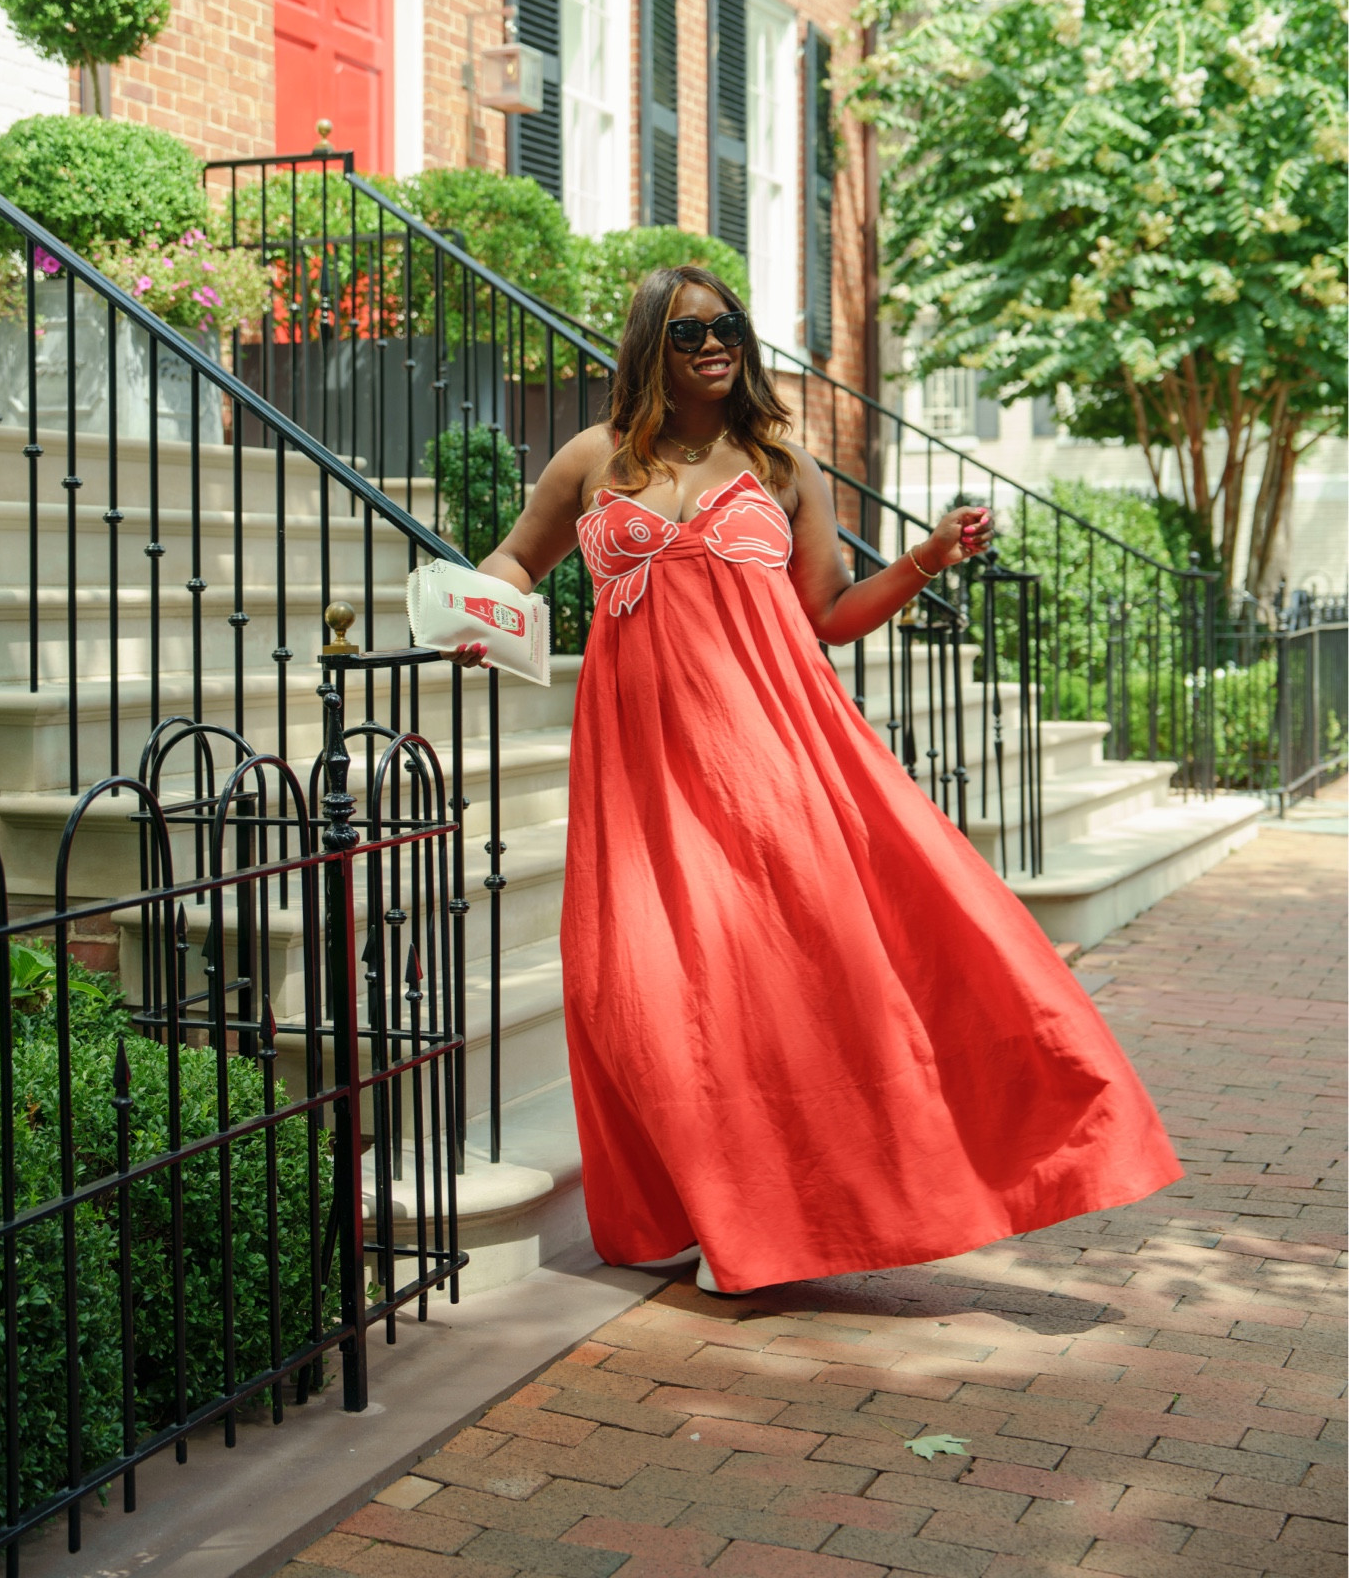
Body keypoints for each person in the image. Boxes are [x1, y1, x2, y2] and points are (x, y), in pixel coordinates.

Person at [454, 265, 1181, 1293]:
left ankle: (766, 1220)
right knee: (646, 988)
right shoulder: (592, 458)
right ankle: (700, 1202)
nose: (714, 343)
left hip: (767, 750)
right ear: (650, 347)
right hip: (639, 765)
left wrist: (926, 558)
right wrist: (478, 612)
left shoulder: (782, 462)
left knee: (777, 974)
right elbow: (515, 560)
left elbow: (829, 614)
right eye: (688, 331)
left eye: (728, 324)